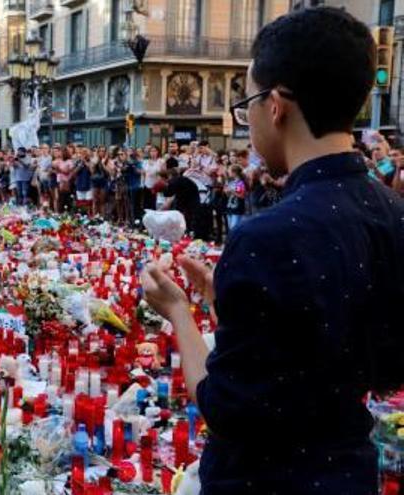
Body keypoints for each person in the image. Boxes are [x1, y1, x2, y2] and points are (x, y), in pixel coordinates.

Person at [142, 7, 403, 495]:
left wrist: (177, 311)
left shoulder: (268, 235)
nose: (248, 120)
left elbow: (225, 406)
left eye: (248, 103)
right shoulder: (393, 213)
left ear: (277, 105)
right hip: (349, 471)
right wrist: (227, 302)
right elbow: (332, 346)